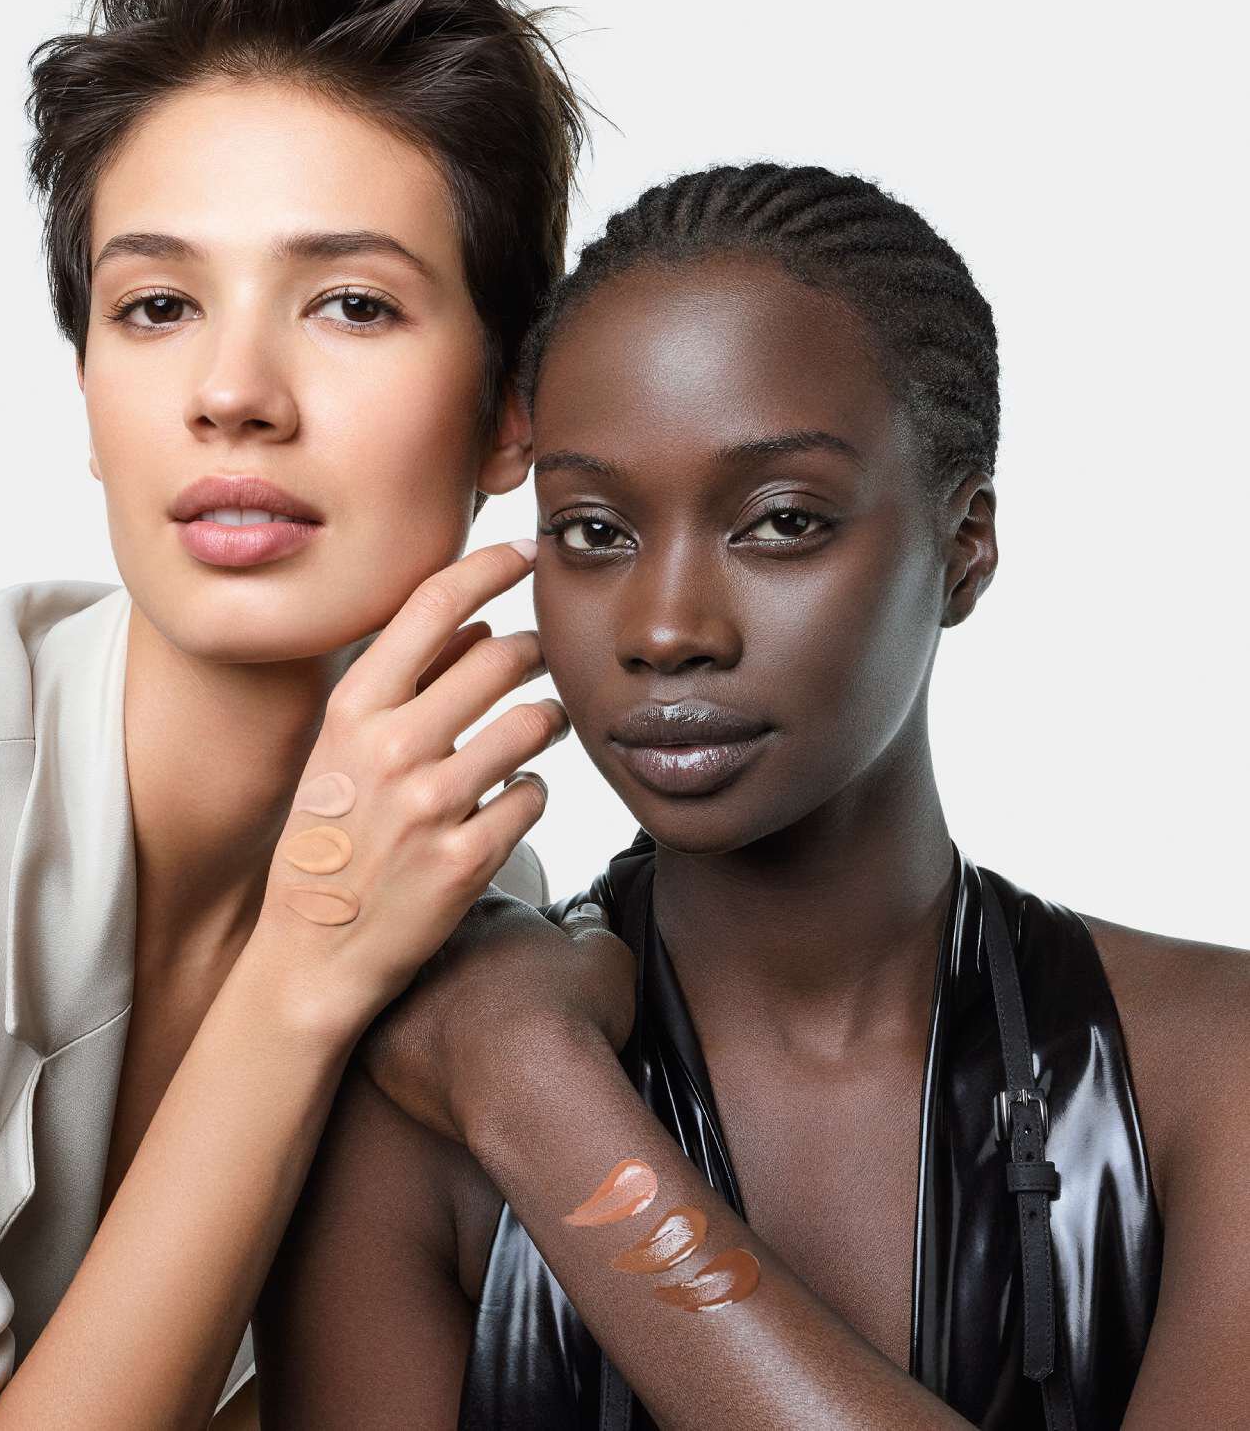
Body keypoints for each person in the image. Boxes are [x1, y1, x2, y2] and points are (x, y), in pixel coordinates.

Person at [256, 162, 1250, 1429]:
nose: (666, 629)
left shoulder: (1216, 1076)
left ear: (965, 546)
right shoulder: (397, 1117)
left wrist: (537, 1096)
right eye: (595, 532)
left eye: (780, 522)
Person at [0, 0, 588, 1426]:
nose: (232, 395)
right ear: (86, 388)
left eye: (351, 304)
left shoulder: (481, 913)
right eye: (156, 307)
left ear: (513, 406)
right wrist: (305, 970)